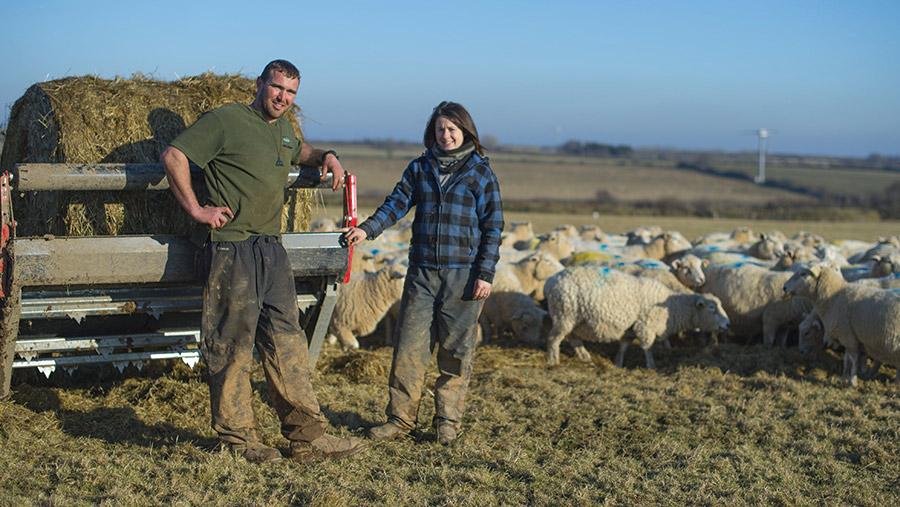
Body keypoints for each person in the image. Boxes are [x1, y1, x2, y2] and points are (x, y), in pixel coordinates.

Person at [160, 59, 364, 464]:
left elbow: (298, 150)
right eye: (277, 89)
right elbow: (173, 155)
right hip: (230, 248)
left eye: (291, 93)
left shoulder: (285, 129)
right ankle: (238, 440)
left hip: (272, 249)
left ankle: (307, 438)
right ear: (260, 84)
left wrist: (328, 156)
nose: (282, 98)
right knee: (232, 344)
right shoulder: (226, 120)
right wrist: (197, 210)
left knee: (287, 343)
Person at [342, 101, 504, 445]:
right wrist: (367, 230)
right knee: (408, 349)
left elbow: (493, 226)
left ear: (465, 132)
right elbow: (396, 203)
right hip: (422, 273)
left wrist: (485, 273)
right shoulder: (421, 168)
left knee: (456, 352)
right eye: (439, 130)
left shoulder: (480, 173)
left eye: (451, 130)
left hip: (463, 276)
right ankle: (400, 420)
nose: (445, 136)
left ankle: (446, 422)